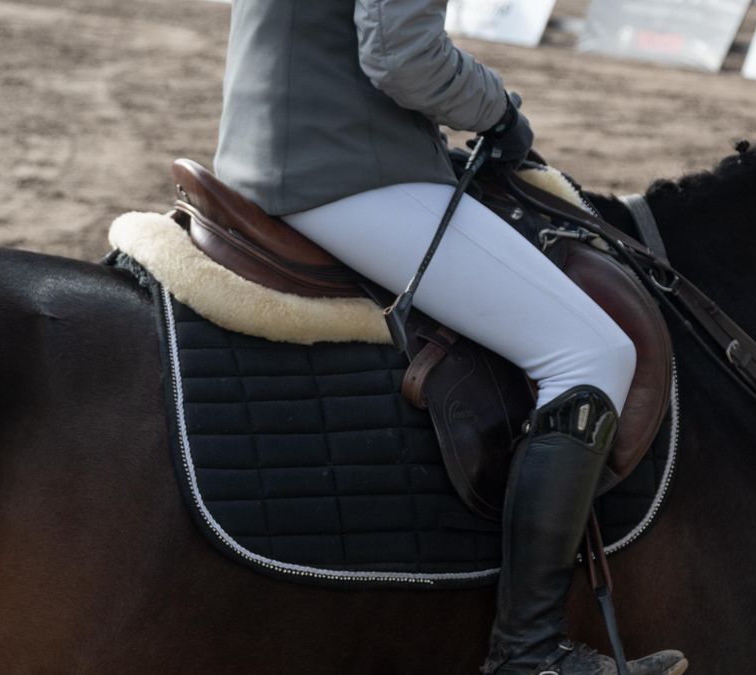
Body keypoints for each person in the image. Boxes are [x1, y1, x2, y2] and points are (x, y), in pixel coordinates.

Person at [212, 1, 687, 673]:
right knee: (591, 353)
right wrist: (497, 108)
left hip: (261, 147)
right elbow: (401, 56)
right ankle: (529, 653)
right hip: (347, 169)